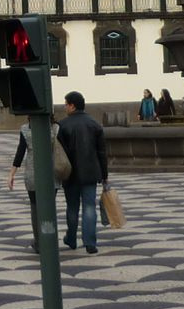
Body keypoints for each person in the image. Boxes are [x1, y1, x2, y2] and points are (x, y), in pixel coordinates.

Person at [56, 91, 108, 254]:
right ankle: (90, 242)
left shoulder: (63, 125)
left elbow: (59, 152)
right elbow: (102, 152)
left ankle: (71, 238)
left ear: (72, 105)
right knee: (89, 207)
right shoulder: (94, 123)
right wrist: (104, 174)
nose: (65, 107)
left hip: (70, 173)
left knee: (72, 207)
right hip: (90, 172)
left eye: (66, 104)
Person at [7, 119, 57, 252]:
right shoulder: (56, 128)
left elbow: (20, 152)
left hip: (32, 175)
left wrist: (11, 174)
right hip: (52, 174)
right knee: (49, 208)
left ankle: (39, 242)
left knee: (35, 209)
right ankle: (50, 238)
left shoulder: (25, 130)